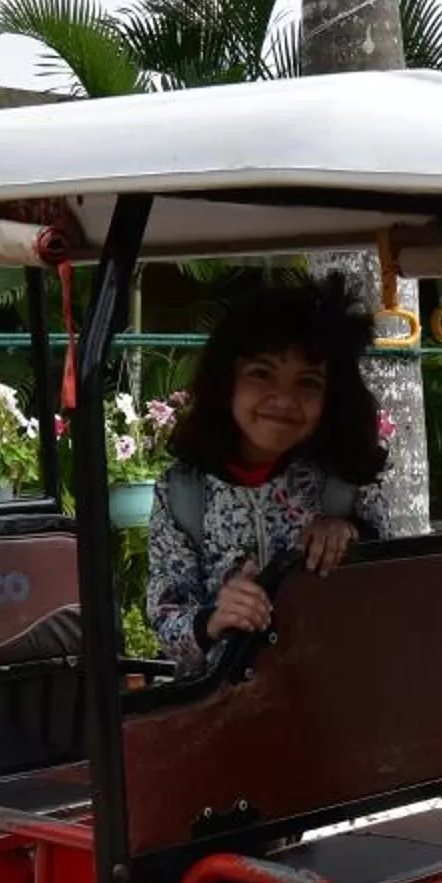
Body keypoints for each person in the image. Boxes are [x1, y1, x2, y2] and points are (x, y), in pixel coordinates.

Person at [145, 276, 390, 673]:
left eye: (308, 383)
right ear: (226, 381)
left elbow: (391, 597)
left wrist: (351, 535)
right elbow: (167, 622)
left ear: (333, 398)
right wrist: (214, 619)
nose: (283, 400)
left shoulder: (347, 485)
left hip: (337, 694)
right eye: (262, 373)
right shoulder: (182, 492)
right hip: (225, 702)